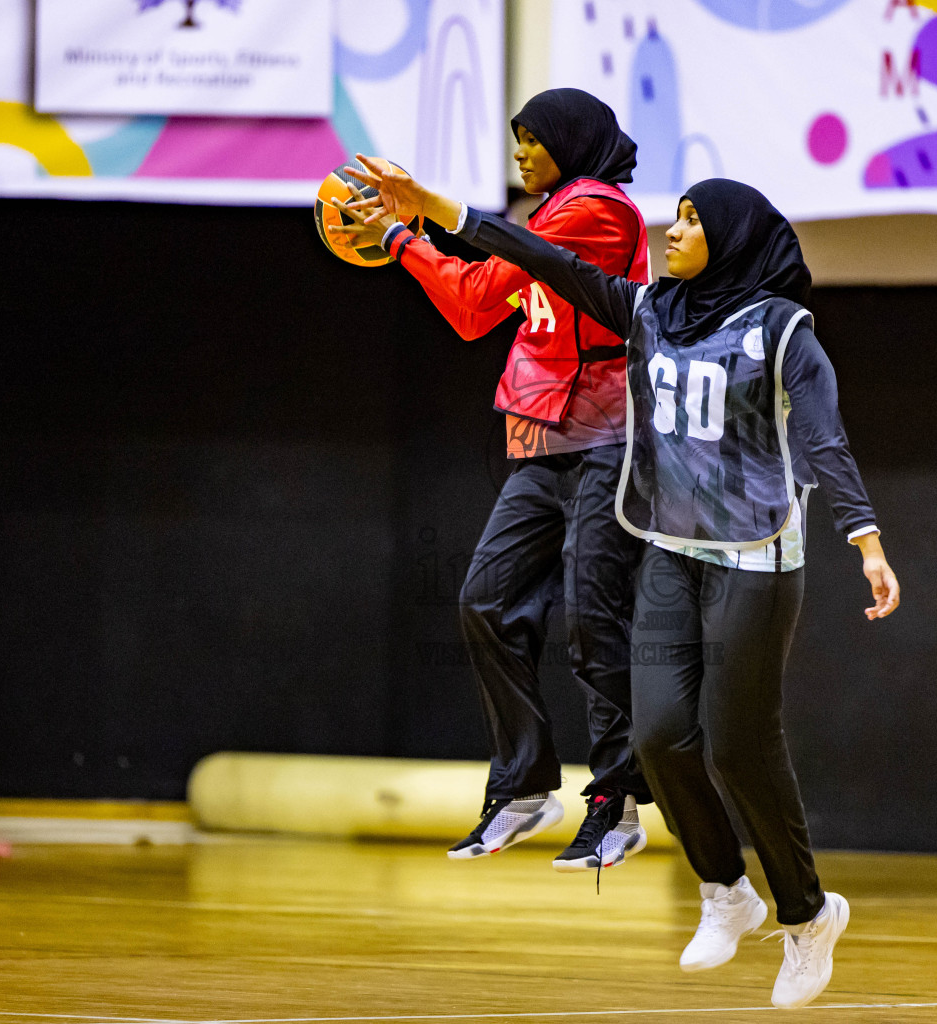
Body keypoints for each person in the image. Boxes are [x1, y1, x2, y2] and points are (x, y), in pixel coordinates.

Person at [342, 163, 901, 1009]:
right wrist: (438, 215)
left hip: (755, 558)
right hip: (672, 550)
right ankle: (726, 892)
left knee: (739, 746)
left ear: (731, 240)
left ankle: (808, 914)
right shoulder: (648, 312)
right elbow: (542, 257)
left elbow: (824, 440)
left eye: (688, 222)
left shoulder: (784, 330)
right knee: (657, 737)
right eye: (670, 217)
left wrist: (865, 541)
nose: (669, 232)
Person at [325, 89, 654, 872]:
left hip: (613, 439)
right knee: (483, 601)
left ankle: (617, 805)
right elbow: (474, 305)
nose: (520, 152)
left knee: (592, 624)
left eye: (532, 140)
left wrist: (429, 209)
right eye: (516, 139)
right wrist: (403, 240)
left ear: (570, 144)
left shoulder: (597, 211)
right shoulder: (543, 217)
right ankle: (525, 785)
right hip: (544, 442)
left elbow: (518, 252)